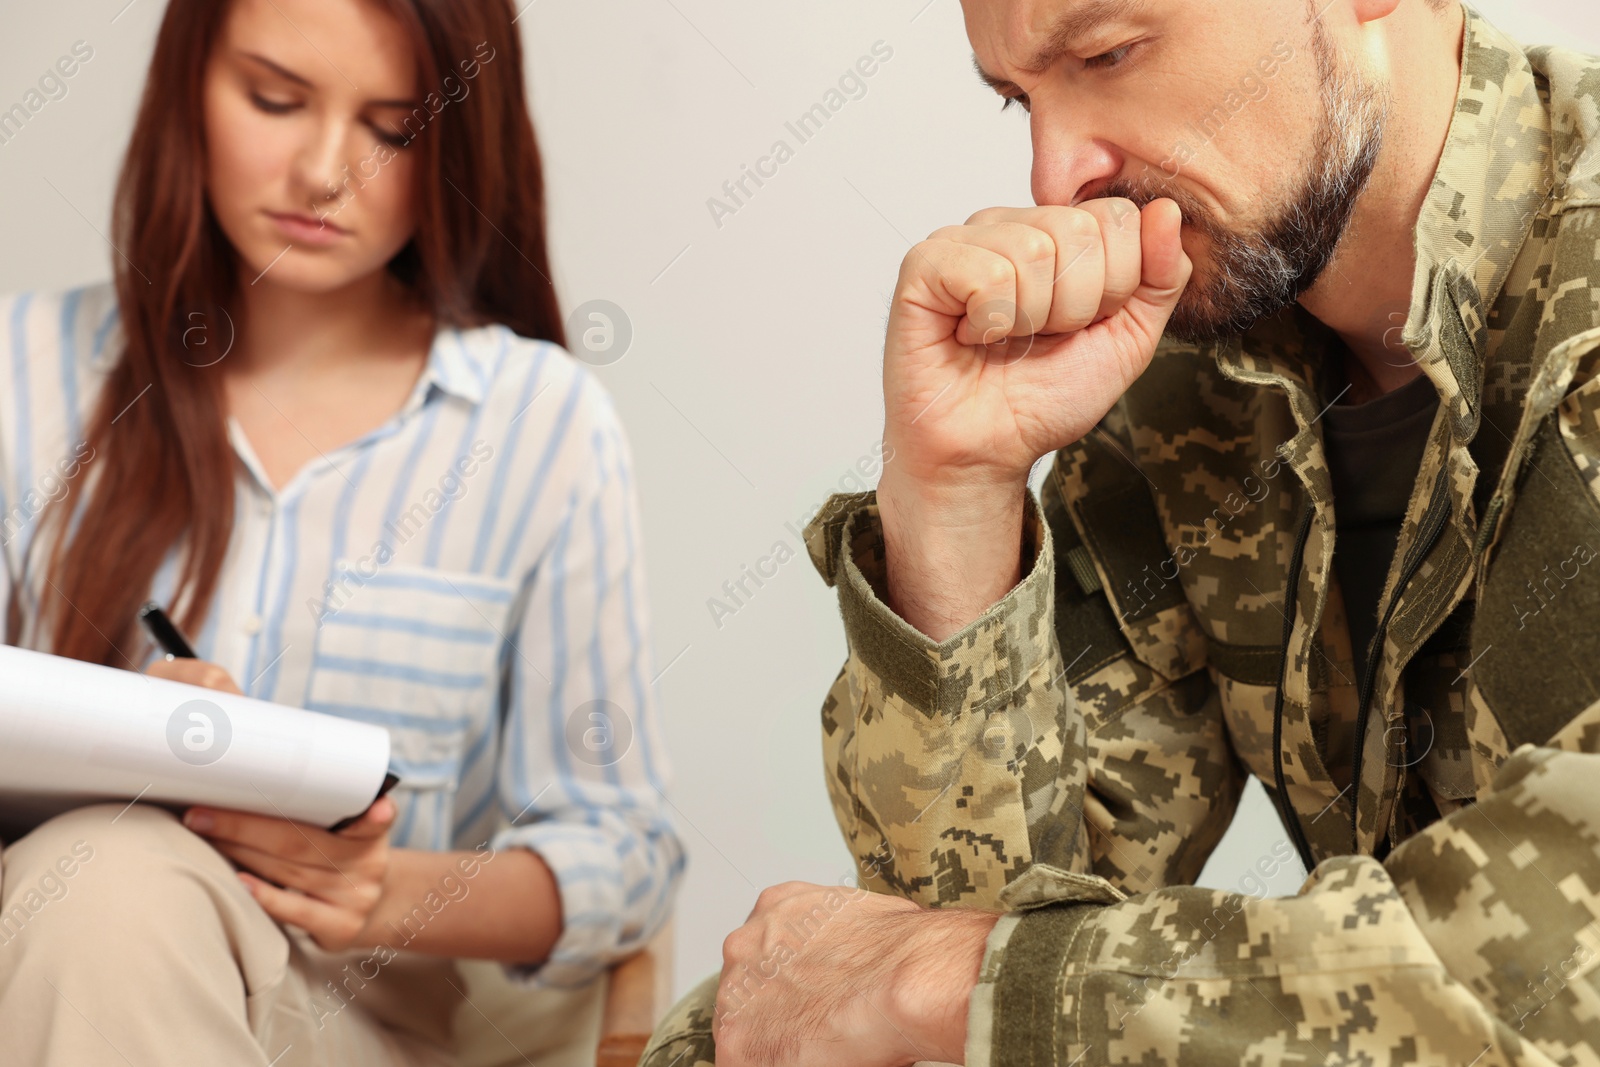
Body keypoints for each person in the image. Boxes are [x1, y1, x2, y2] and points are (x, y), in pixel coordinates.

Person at [641, 0, 1600, 1063]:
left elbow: (1559, 980)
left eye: (1107, 54)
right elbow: (978, 929)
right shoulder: (1193, 371)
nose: (1057, 179)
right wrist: (953, 494)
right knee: (731, 1024)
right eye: (1018, 99)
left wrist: (951, 982)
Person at [0, 0, 682, 1064]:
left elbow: (621, 851)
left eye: (394, 129)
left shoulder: (536, 424)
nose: (327, 171)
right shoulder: (23, 370)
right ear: (189, 86)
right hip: (43, 965)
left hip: (351, 1023)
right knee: (111, 881)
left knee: (117, 896)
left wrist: (372, 890)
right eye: (275, 100)